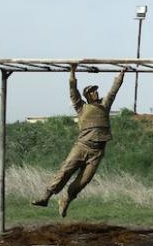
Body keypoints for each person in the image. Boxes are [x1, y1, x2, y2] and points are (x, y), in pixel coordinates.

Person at [32, 64, 126, 217]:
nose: (95, 93)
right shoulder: (81, 107)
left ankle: (66, 200)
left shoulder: (104, 105)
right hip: (81, 147)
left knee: (84, 181)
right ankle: (46, 196)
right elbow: (73, 91)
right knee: (65, 171)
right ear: (87, 95)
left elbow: (113, 91)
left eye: (96, 91)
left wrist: (121, 75)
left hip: (97, 151)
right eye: (92, 91)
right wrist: (72, 71)